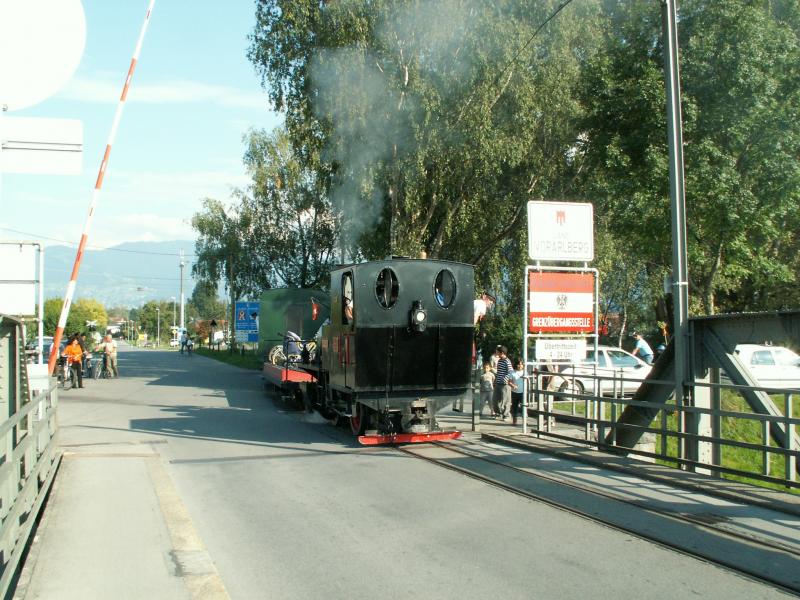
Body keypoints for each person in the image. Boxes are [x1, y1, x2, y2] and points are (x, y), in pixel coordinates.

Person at [492, 346, 513, 420]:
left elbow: (511, 372)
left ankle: (506, 415)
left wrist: (506, 379)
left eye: (497, 351)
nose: (496, 353)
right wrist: (495, 380)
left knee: (505, 400)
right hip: (498, 383)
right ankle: (498, 413)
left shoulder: (507, 361)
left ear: (502, 353)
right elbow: (498, 372)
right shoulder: (500, 361)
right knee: (495, 400)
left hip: (505, 384)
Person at [510, 359, 525, 425]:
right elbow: (509, 381)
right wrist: (513, 385)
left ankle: (524, 421)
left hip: (523, 392)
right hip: (514, 392)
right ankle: (514, 420)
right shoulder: (512, 372)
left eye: (521, 364)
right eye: (518, 364)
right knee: (514, 406)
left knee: (523, 407)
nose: (520, 366)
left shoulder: (525, 372)